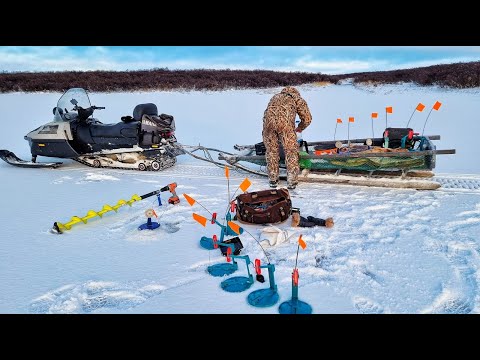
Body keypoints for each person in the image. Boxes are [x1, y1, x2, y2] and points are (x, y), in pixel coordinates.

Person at [262, 86, 312, 189]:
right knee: (291, 151)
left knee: (271, 151)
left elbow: (266, 113)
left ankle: (273, 179)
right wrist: (300, 128)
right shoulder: (296, 98)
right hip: (285, 127)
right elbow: (307, 118)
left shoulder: (275, 97)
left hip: (268, 126)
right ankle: (292, 181)